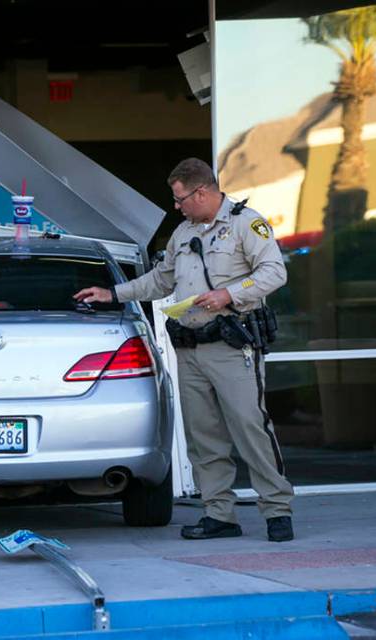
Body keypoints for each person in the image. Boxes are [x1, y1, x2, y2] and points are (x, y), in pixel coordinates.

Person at [74, 157, 295, 542]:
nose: (177, 206)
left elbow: (275, 272)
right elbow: (160, 282)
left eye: (180, 199)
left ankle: (277, 510)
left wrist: (229, 293)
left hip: (233, 345)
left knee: (251, 429)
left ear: (203, 192)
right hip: (191, 350)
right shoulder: (182, 234)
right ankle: (219, 514)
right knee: (203, 436)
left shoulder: (246, 224)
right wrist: (112, 294)